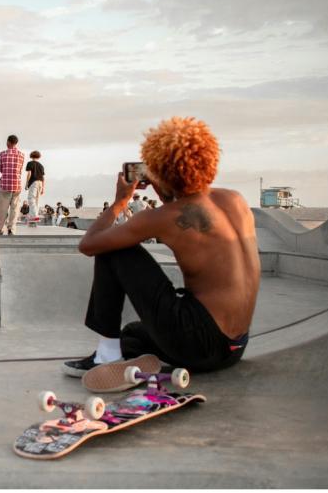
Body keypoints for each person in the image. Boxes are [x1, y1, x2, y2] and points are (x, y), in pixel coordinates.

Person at [63, 117, 260, 389]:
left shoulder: (163, 217)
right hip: (235, 348)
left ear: (160, 169)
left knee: (115, 251)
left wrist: (120, 201)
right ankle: (132, 351)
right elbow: (187, 208)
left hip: (197, 343)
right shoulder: (235, 200)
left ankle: (106, 355)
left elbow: (90, 244)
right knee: (133, 334)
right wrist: (166, 188)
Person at [0, 134, 25, 235]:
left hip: (5, 185)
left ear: (8, 142)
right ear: (16, 143)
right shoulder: (21, 155)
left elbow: (1, 169)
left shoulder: (2, 154)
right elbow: (20, 170)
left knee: (2, 208)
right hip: (17, 185)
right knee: (15, 209)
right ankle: (11, 229)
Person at [25, 150, 45, 225]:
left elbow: (29, 173)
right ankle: (32, 215)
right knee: (37, 200)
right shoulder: (41, 165)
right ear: (38, 156)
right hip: (40, 182)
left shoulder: (30, 163)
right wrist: (43, 187)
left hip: (34, 182)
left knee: (31, 198)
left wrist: (26, 183)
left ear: (31, 156)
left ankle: (35, 216)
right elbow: (43, 177)